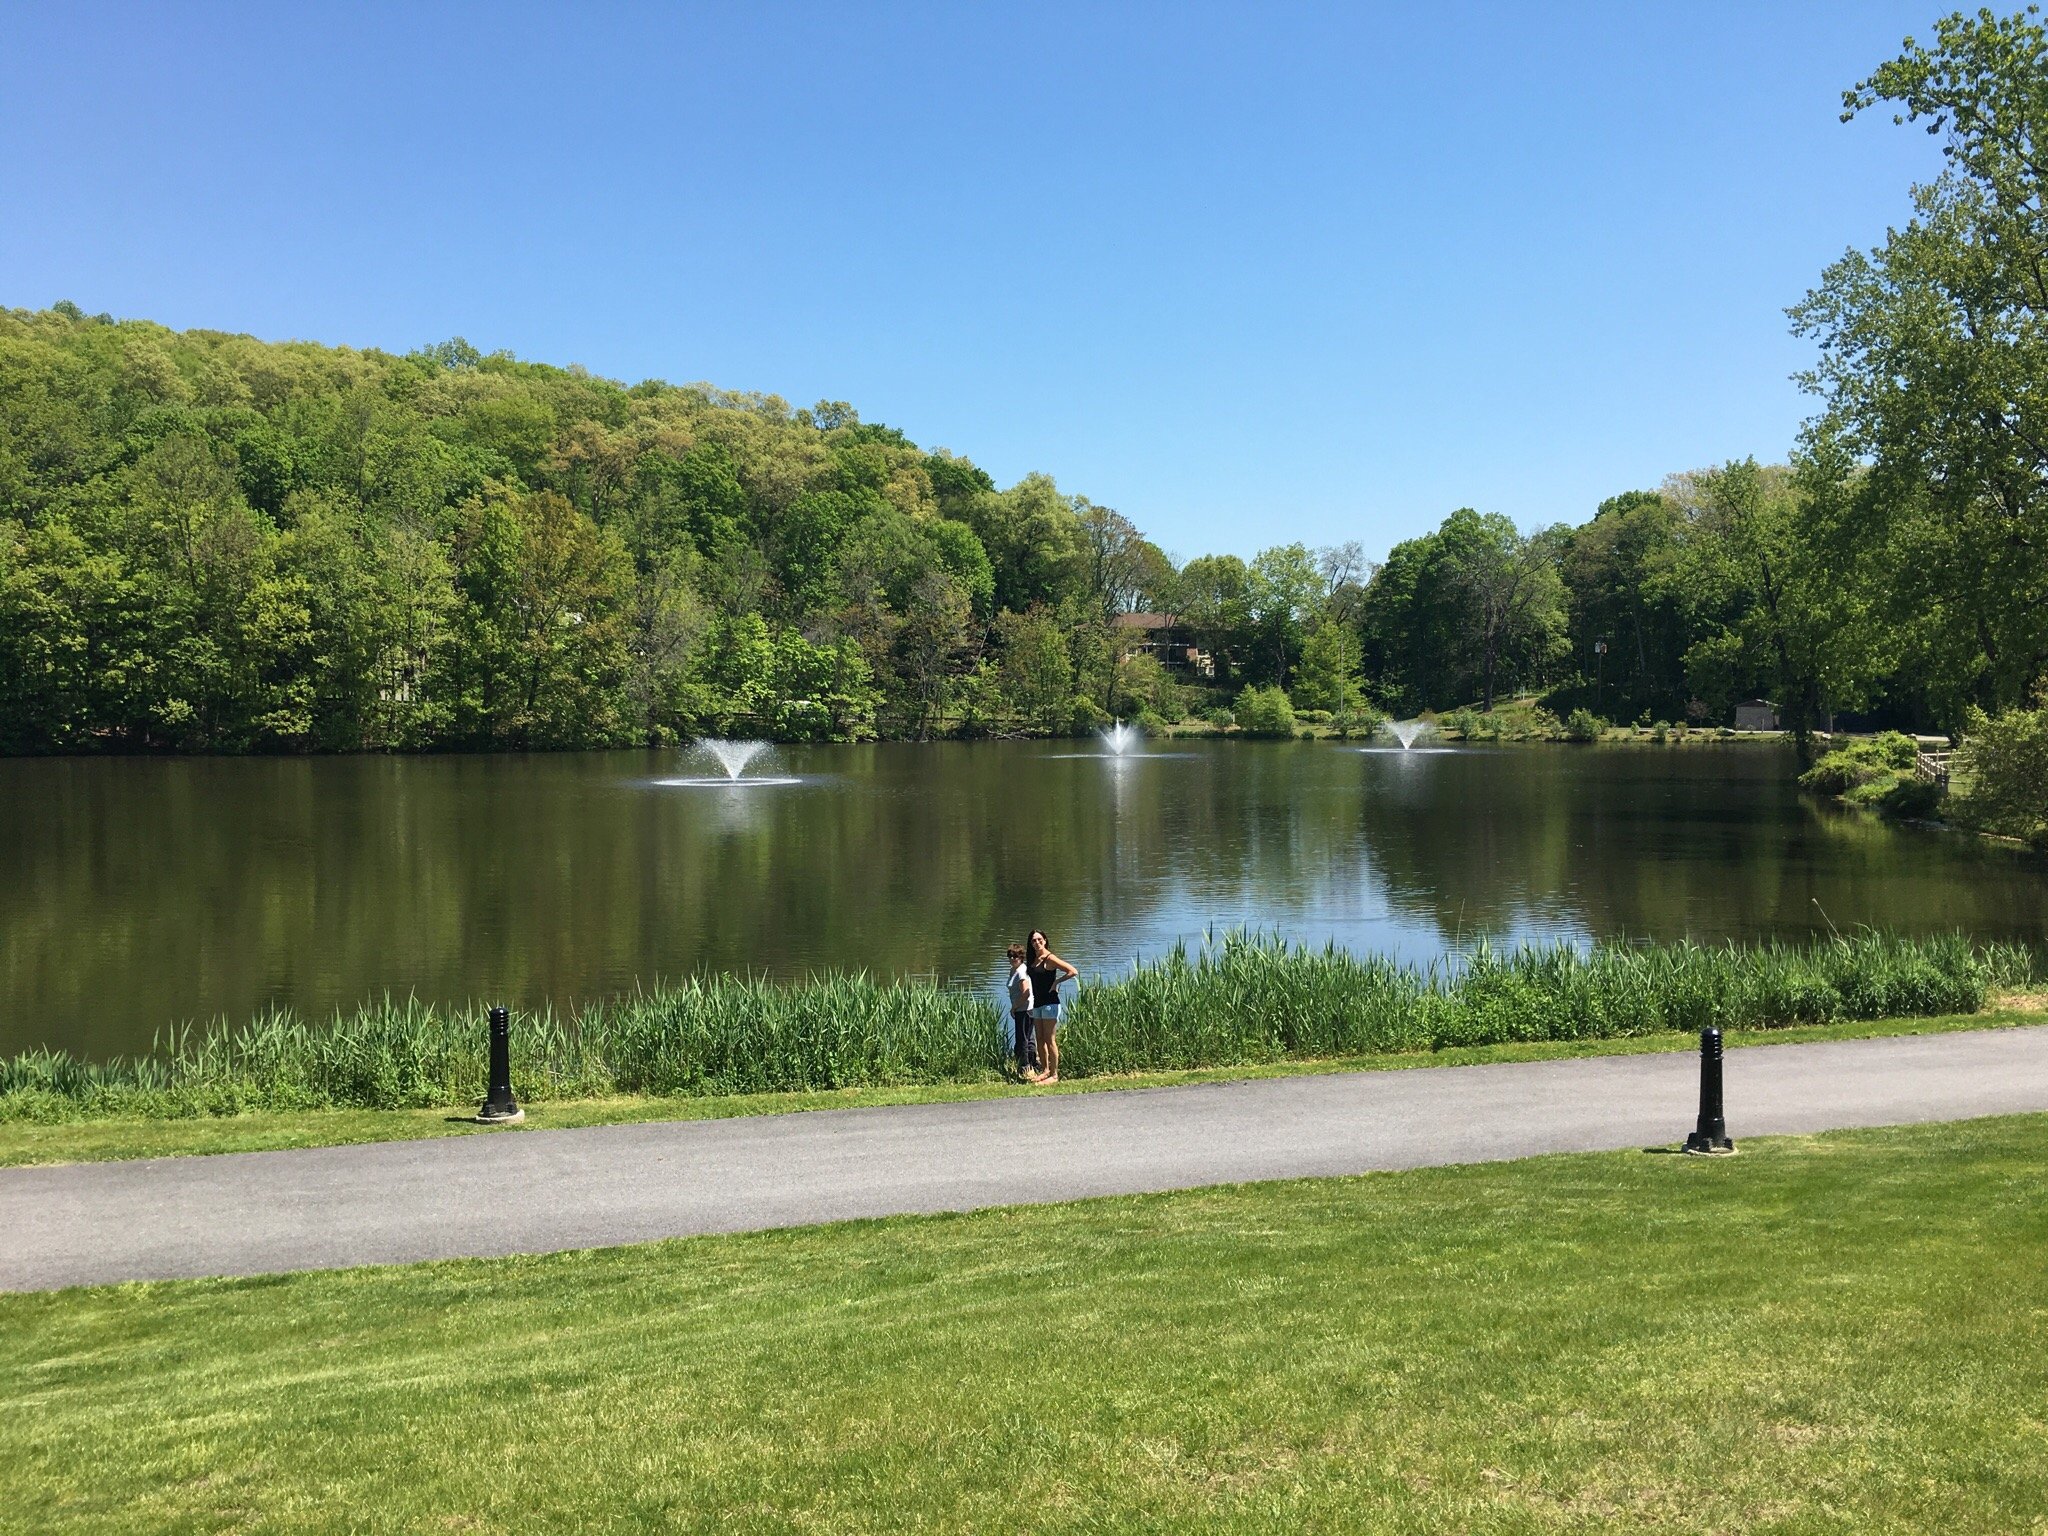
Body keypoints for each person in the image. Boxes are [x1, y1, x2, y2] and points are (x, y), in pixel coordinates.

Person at [1025, 929, 1077, 1084]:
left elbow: (1072, 971)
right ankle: (1045, 1070)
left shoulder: (1050, 958)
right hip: (1037, 1003)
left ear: (1045, 940)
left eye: (1039, 939)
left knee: (1050, 1039)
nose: (1037, 942)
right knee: (1040, 1039)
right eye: (1033, 940)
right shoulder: (1033, 960)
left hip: (1050, 1003)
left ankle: (1054, 1075)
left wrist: (1056, 983)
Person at [1005, 943, 1037, 1077]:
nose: (1013, 958)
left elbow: (1026, 993)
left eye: (1016, 956)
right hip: (1023, 1009)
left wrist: (1015, 1007)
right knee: (1028, 1037)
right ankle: (1033, 1064)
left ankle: (1025, 1067)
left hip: (1025, 1009)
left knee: (1023, 1038)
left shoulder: (1021, 972)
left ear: (1021, 957)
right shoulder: (1015, 969)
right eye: (1010, 956)